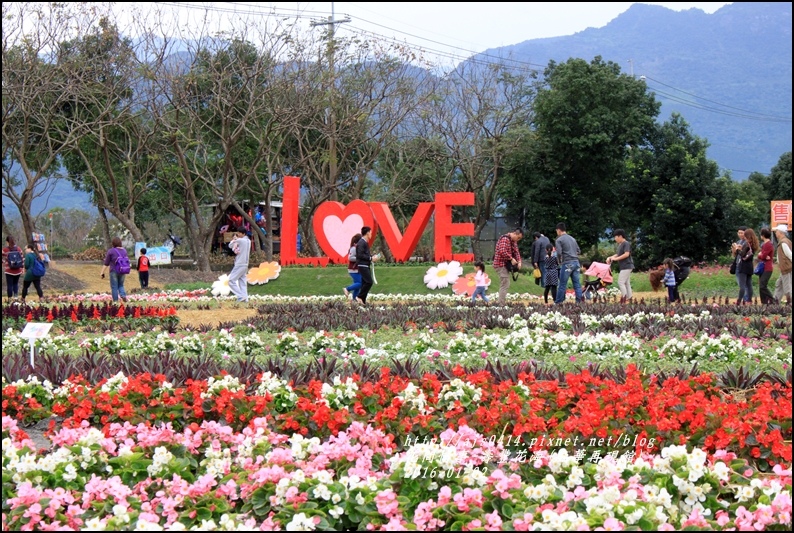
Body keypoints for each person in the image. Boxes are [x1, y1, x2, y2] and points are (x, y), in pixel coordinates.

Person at [553, 223, 583, 304]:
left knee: (562, 284)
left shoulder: (559, 240)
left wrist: (559, 261)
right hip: (576, 263)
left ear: (558, 230)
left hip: (567, 263)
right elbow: (579, 251)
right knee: (577, 283)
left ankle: (558, 302)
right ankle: (579, 301)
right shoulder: (573, 239)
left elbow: (558, 252)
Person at [493, 228, 523, 305]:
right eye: (518, 237)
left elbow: (516, 252)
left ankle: (501, 303)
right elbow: (502, 251)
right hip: (500, 265)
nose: (518, 240)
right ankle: (501, 304)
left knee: (506, 283)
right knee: (505, 283)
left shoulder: (514, 241)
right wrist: (511, 258)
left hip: (505, 265)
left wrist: (519, 261)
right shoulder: (505, 239)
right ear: (515, 233)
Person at [606, 229, 634, 304]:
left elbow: (626, 254)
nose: (615, 239)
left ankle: (624, 298)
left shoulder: (626, 243)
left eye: (615, 237)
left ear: (620, 236)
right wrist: (610, 257)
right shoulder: (620, 245)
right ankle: (629, 298)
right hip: (624, 266)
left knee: (620, 282)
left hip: (627, 265)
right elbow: (617, 254)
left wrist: (615, 259)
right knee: (626, 283)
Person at [100, 237, 130, 303]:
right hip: (122, 270)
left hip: (114, 270)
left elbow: (106, 263)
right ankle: (123, 295)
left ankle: (115, 301)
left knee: (114, 287)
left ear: (113, 243)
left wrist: (102, 272)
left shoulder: (111, 251)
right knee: (121, 285)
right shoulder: (124, 251)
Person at [355, 226, 379, 305]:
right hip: (362, 265)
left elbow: (365, 254)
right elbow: (360, 255)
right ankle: (359, 296)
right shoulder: (361, 243)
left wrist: (372, 257)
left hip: (365, 265)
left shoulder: (364, 242)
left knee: (365, 282)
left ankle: (362, 301)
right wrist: (370, 258)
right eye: (371, 232)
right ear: (367, 233)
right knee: (369, 282)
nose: (371, 234)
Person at [736, 228, 759, 305]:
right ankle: (749, 300)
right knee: (749, 284)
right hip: (750, 266)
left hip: (743, 265)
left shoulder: (747, 244)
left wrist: (737, 249)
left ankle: (739, 301)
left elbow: (742, 254)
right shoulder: (754, 244)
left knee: (742, 285)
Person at [228, 231, 251, 303]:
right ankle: (245, 298)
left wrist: (234, 239)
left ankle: (240, 296)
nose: (238, 235)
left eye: (239, 233)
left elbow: (230, 245)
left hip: (239, 264)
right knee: (242, 282)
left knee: (231, 281)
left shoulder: (240, 240)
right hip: (246, 264)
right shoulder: (249, 241)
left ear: (243, 234)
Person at [773, 224, 792, 305]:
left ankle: (790, 303)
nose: (776, 233)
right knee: (779, 284)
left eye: (776, 231)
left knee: (787, 287)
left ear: (780, 232)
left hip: (787, 268)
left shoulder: (784, 242)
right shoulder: (784, 241)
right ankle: (775, 302)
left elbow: (790, 255)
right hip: (784, 268)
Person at [2, 235, 23, 299]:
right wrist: (22, 268)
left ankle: (10, 298)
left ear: (7, 242)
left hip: (9, 270)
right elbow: (22, 258)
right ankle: (16, 297)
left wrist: (3, 262)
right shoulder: (18, 249)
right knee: (15, 284)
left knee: (9, 285)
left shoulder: (5, 250)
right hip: (18, 270)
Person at [757, 228, 775, 304]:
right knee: (761, 286)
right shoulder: (765, 244)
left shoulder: (768, 245)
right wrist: (761, 255)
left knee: (763, 286)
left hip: (767, 268)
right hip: (763, 267)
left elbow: (763, 256)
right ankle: (764, 303)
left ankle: (773, 301)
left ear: (763, 235)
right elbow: (763, 256)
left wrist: (760, 255)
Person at [343, 233, 362, 302]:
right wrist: (359, 258)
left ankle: (354, 300)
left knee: (357, 285)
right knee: (361, 283)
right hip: (353, 269)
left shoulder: (357, 248)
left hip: (357, 269)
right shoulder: (354, 248)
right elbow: (350, 258)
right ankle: (347, 289)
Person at [731, 226, 747, 293]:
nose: (740, 234)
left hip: (744, 265)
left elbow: (745, 253)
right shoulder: (738, 242)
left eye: (742, 233)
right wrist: (734, 248)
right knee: (739, 283)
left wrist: (740, 248)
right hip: (737, 263)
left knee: (744, 284)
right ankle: (744, 298)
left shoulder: (747, 242)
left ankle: (746, 298)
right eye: (739, 233)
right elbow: (735, 254)